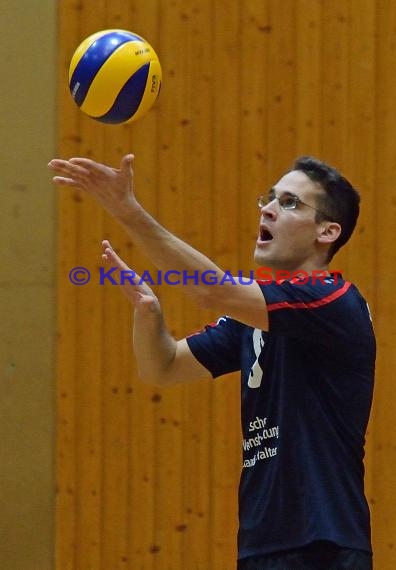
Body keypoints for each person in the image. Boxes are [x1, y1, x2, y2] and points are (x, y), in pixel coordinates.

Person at [48, 154, 375, 570]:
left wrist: (128, 211)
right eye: (270, 198)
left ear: (328, 231)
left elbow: (213, 292)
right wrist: (149, 313)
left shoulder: (333, 300)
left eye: (291, 203)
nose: (269, 208)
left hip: (323, 542)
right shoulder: (254, 320)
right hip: (262, 543)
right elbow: (163, 367)